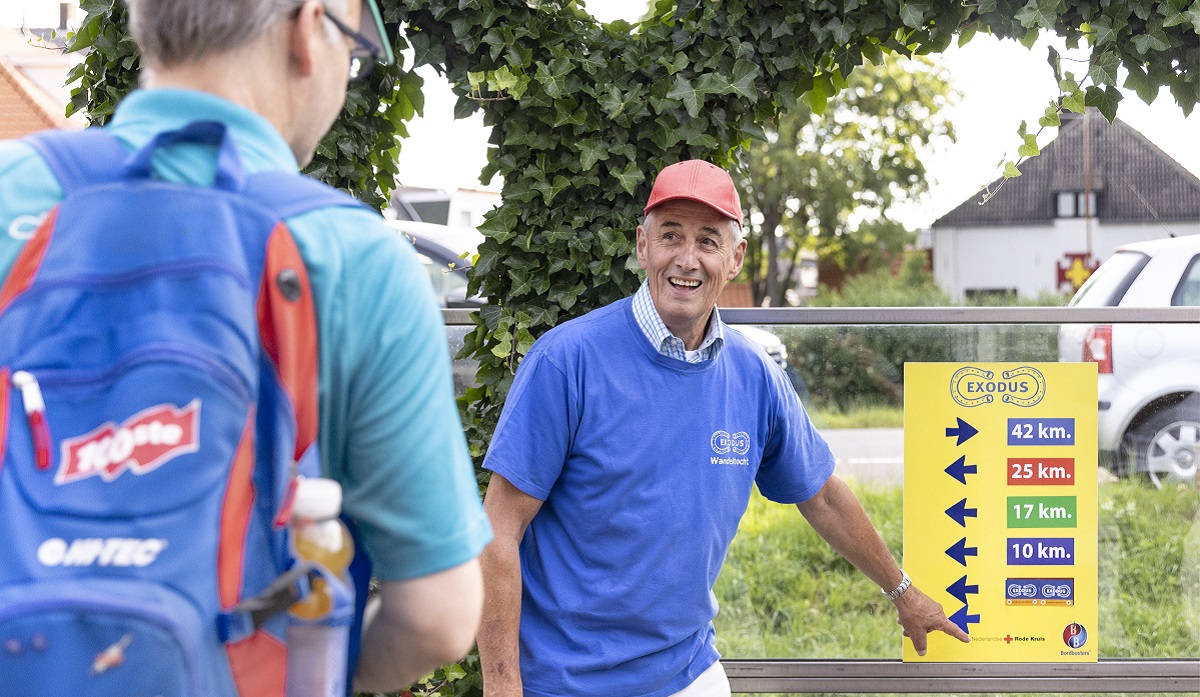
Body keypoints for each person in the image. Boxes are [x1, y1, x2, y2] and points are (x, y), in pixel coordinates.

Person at [0, 0, 490, 692]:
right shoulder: (353, 259)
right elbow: (438, 614)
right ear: (308, 28)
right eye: (353, 46)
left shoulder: (9, 191)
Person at [476, 159, 970, 697]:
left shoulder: (754, 373)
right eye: (670, 236)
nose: (686, 260)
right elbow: (497, 531)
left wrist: (903, 592)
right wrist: (504, 690)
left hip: (687, 672)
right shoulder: (566, 362)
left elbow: (823, 496)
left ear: (734, 259)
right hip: (569, 682)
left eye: (708, 241)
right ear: (643, 247)